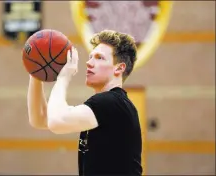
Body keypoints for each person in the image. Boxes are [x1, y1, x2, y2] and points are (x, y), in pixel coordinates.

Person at [27, 30, 143, 175]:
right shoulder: (106, 106)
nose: (89, 63)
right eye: (90, 57)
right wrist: (36, 71)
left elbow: (56, 121)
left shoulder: (112, 102)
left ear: (119, 68)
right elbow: (41, 119)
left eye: (99, 58)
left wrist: (64, 77)